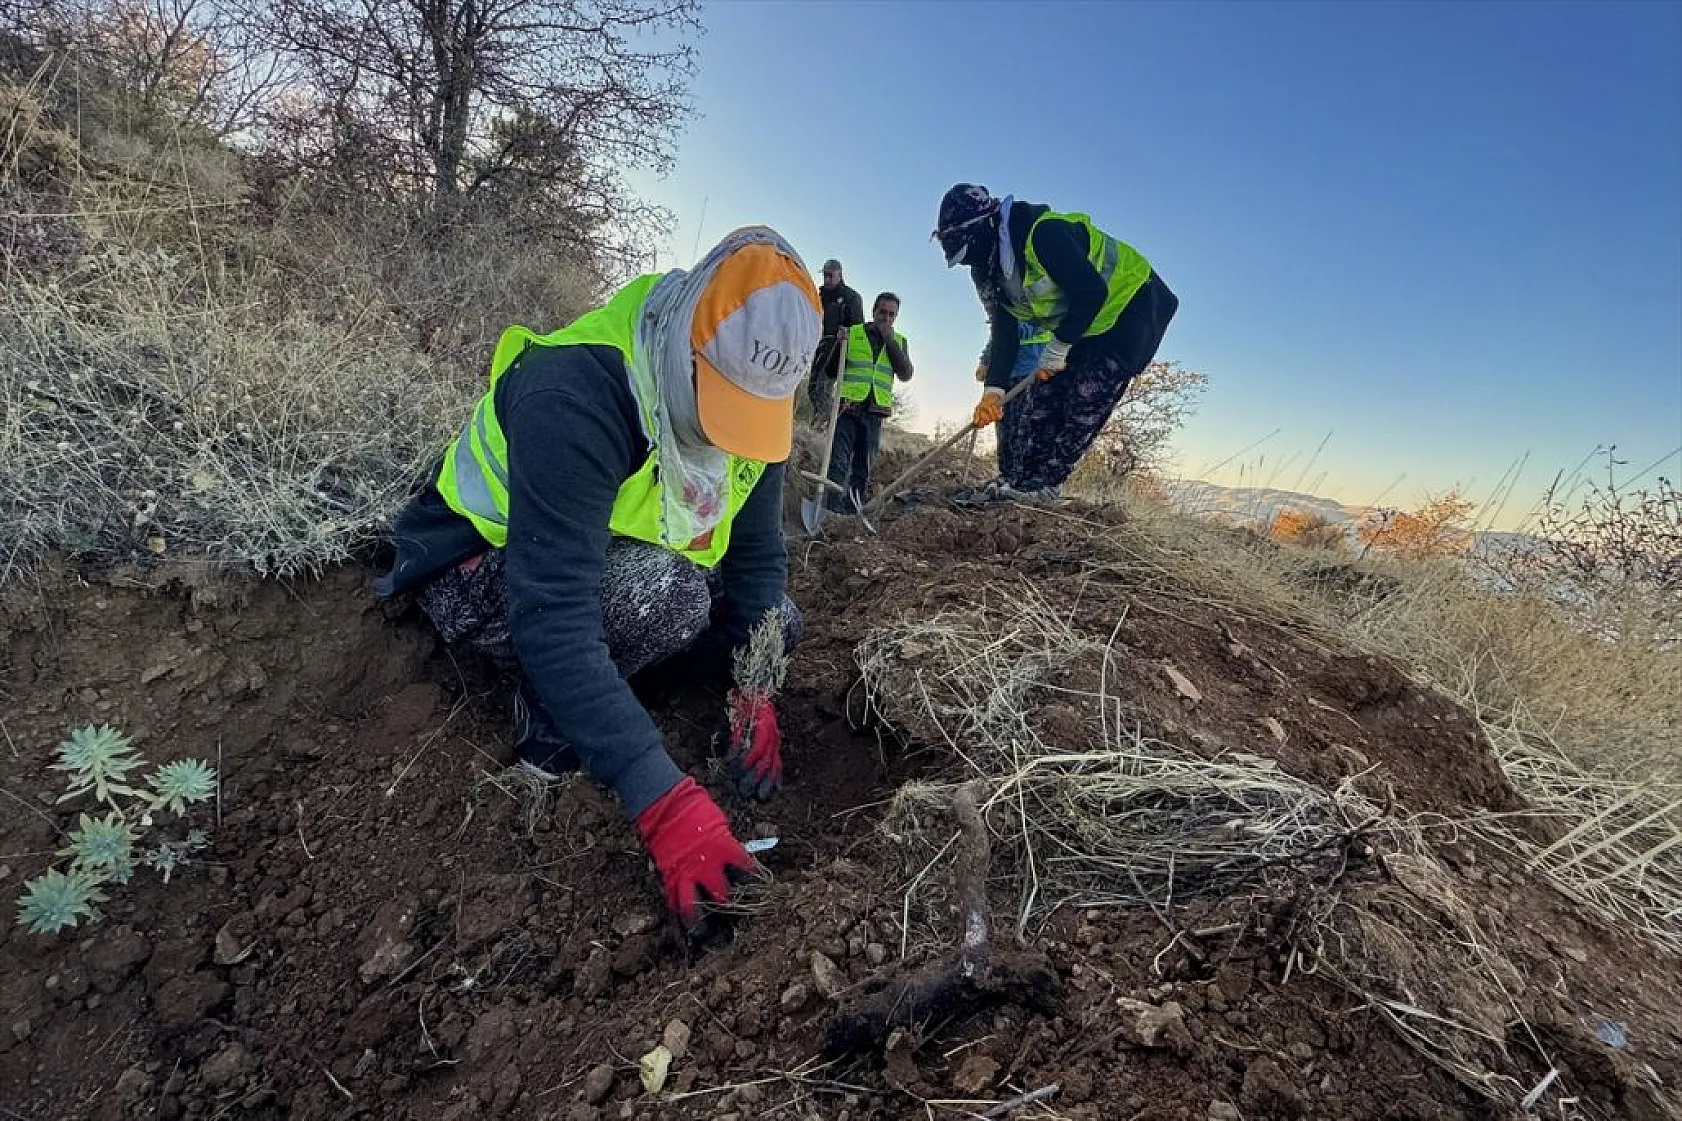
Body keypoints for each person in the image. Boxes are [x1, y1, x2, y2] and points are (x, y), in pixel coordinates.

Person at [374, 227, 822, 930]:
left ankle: (616, 687)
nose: (732, 439)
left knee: (775, 621)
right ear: (686, 341)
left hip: (610, 561)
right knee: (668, 597)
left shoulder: (758, 404)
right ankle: (547, 716)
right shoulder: (576, 390)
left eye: (753, 419)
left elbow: (758, 558)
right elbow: (552, 613)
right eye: (722, 405)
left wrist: (755, 686)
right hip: (484, 573)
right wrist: (662, 799)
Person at [934, 184, 1179, 501]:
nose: (968, 263)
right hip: (1085, 325)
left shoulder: (1044, 234)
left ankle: (1045, 488)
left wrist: (1059, 347)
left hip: (1133, 310)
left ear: (984, 228)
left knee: (1084, 400)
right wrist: (993, 391)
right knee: (1043, 401)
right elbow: (1004, 332)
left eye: (967, 252)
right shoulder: (989, 273)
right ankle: (1020, 484)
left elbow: (1092, 292)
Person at [826, 292, 913, 512]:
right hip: (847, 408)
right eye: (883, 312)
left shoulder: (899, 342)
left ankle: (850, 513)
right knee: (838, 462)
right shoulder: (852, 334)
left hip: (875, 413)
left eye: (892, 315)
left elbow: (905, 374)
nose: (886, 318)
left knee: (862, 469)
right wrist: (838, 345)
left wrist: (889, 340)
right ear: (874, 312)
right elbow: (830, 370)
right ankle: (829, 509)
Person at [974, 319, 1051, 487]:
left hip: (1032, 375)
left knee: (1025, 428)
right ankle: (1006, 474)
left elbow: (1016, 330)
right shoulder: (1007, 312)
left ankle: (1021, 478)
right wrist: (986, 360)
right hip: (1005, 377)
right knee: (1004, 427)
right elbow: (999, 336)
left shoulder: (1040, 312)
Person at [807, 258, 865, 412]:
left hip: (838, 349)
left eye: (830, 275)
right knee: (813, 389)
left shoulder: (851, 297)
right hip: (818, 347)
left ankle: (826, 421)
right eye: (825, 275)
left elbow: (858, 329)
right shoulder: (819, 296)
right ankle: (822, 419)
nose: (827, 279)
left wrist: (847, 336)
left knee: (822, 389)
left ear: (840, 275)